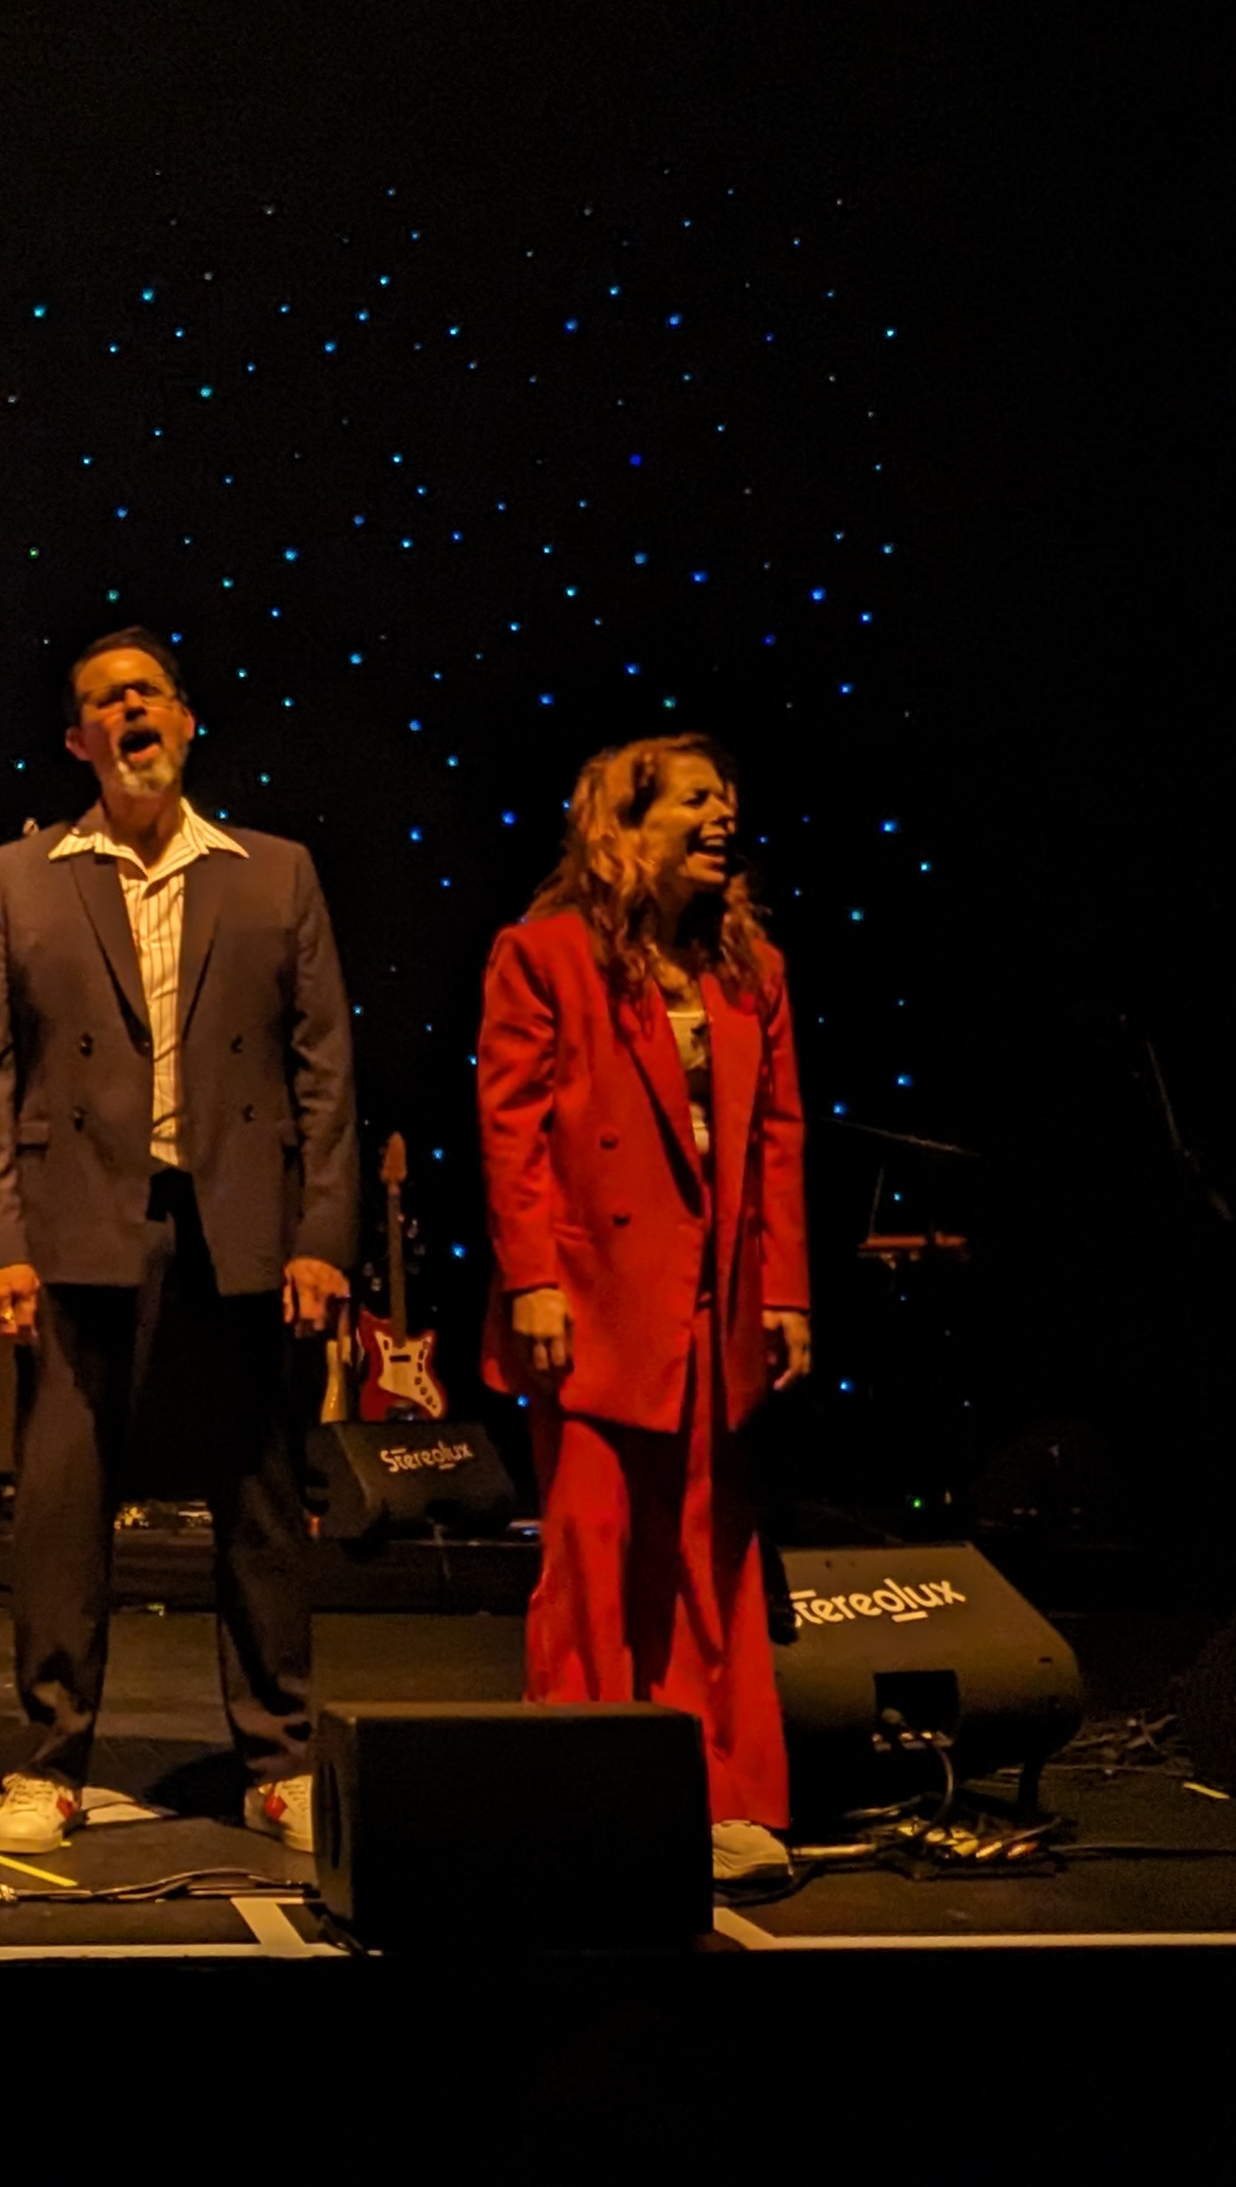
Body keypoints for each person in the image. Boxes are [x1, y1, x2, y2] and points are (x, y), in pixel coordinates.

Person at [0, 627, 359, 1855]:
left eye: (148, 694)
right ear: (79, 741)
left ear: (185, 720)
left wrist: (323, 1234)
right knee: (63, 1505)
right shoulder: (17, 878)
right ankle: (50, 1760)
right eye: (103, 702)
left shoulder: (274, 873)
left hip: (237, 1222)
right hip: (75, 1223)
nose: (129, 713)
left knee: (260, 1497)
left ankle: (280, 1759)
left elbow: (325, 1072)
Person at [474, 734, 813, 1880]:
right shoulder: (544, 955)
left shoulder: (751, 968)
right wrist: (531, 1279)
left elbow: (777, 1141)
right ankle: (586, 1789)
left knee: (710, 1551)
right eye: (697, 800)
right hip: (589, 1296)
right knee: (592, 1547)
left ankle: (723, 1796)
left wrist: (785, 1290)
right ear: (626, 823)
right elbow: (512, 1131)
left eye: (729, 800)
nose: (725, 818)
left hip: (714, 1297)